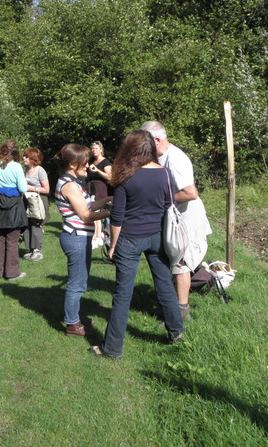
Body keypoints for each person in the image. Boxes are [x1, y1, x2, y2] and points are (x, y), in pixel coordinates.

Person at [89, 130, 183, 359]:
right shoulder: (165, 174)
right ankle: (177, 333)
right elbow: (169, 204)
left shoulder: (125, 175)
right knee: (165, 286)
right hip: (157, 237)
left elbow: (118, 217)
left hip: (130, 239)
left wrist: (112, 245)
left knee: (122, 294)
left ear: (130, 149)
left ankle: (111, 349)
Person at [141, 121, 212, 321]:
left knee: (181, 263)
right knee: (174, 260)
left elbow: (190, 193)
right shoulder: (160, 157)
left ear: (156, 139)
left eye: (144, 141)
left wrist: (159, 201)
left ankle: (181, 312)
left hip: (186, 217)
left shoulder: (176, 159)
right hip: (175, 215)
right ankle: (170, 305)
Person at [54, 144, 112, 336]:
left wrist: (107, 199)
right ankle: (72, 323)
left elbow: (89, 204)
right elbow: (86, 215)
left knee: (81, 280)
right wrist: (112, 212)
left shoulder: (75, 181)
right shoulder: (69, 185)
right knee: (77, 283)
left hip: (80, 237)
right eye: (84, 162)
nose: (87, 165)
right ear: (72, 163)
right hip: (76, 237)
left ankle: (75, 315)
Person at [0, 139, 28, 281]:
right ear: (16, 152)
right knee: (12, 240)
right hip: (13, 206)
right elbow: (23, 189)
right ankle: (12, 273)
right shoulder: (16, 167)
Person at [22, 147, 50, 262]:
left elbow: (47, 189)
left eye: (26, 156)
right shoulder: (25, 170)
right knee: (27, 223)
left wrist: (32, 188)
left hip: (37, 200)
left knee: (35, 224)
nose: (24, 158)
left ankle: (37, 250)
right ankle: (30, 249)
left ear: (33, 158)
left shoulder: (40, 170)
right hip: (27, 200)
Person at [86, 141, 113, 249]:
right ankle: (96, 235)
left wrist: (97, 171)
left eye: (96, 148)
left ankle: (97, 236)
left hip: (100, 188)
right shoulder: (92, 161)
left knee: (96, 211)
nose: (94, 150)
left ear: (101, 150)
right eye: (92, 149)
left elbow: (110, 177)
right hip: (91, 188)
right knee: (92, 210)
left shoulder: (105, 162)